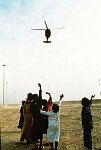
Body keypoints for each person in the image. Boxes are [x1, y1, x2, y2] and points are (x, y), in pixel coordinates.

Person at [30, 83, 43, 149]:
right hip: (36, 119)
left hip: (38, 119)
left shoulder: (38, 102)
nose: (35, 98)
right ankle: (37, 145)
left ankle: (39, 144)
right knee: (36, 132)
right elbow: (31, 111)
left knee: (38, 132)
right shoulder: (34, 104)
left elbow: (40, 95)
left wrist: (40, 88)